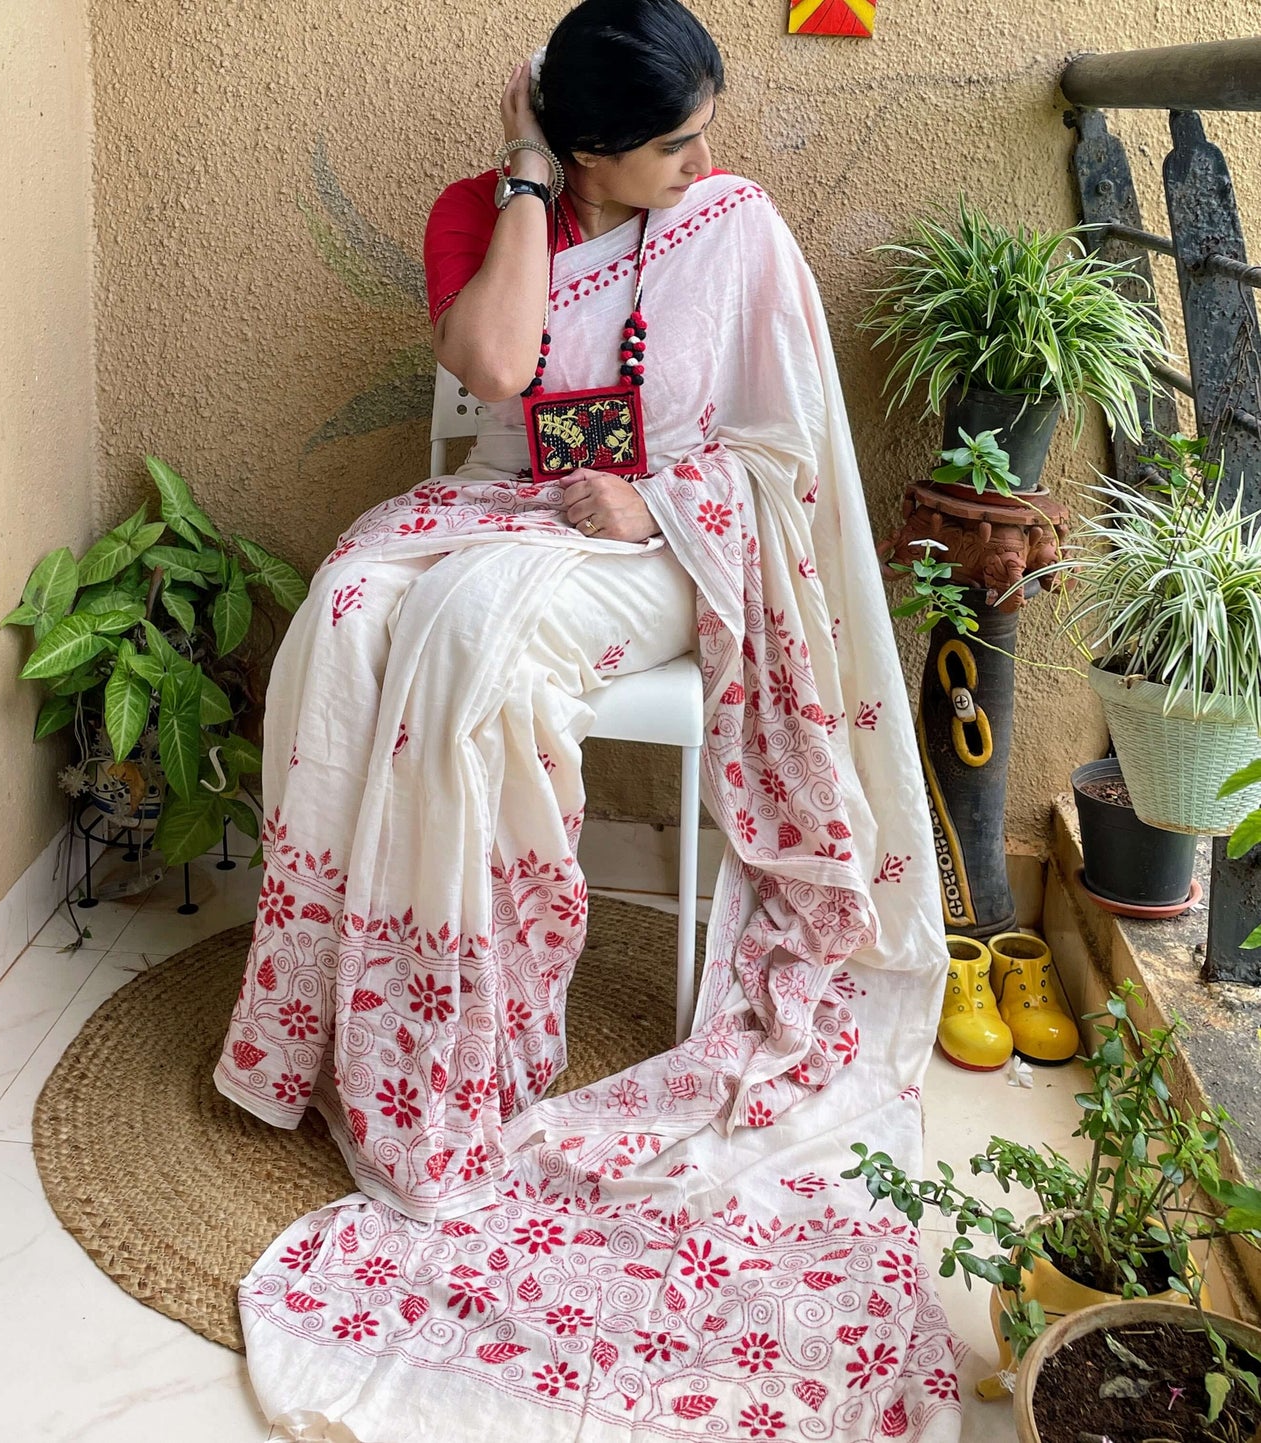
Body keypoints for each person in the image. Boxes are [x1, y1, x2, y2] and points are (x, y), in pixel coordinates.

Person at [219, 3, 961, 1437]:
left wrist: (661, 500)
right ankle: (352, 1014)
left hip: (666, 544)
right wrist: (520, 184)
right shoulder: (479, 212)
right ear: (589, 148)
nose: (703, 160)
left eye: (701, 132)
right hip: (500, 510)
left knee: (473, 642)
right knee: (347, 623)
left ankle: (473, 1037)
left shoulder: (731, 226)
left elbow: (777, 449)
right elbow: (494, 376)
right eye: (671, 143)